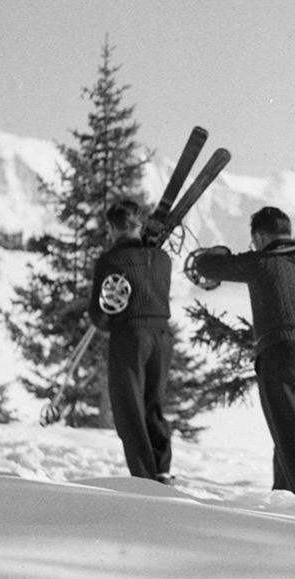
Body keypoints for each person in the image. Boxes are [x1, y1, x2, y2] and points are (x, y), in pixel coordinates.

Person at [191, 206, 295, 517]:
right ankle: (286, 513)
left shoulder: (262, 261)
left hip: (284, 354)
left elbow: (207, 266)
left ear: (258, 237)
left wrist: (216, 252)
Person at [88, 198, 175, 483]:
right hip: (162, 336)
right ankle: (161, 467)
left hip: (130, 337)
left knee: (129, 408)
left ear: (112, 228)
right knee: (154, 404)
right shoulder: (162, 258)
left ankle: (143, 475)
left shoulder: (109, 261)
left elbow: (100, 316)